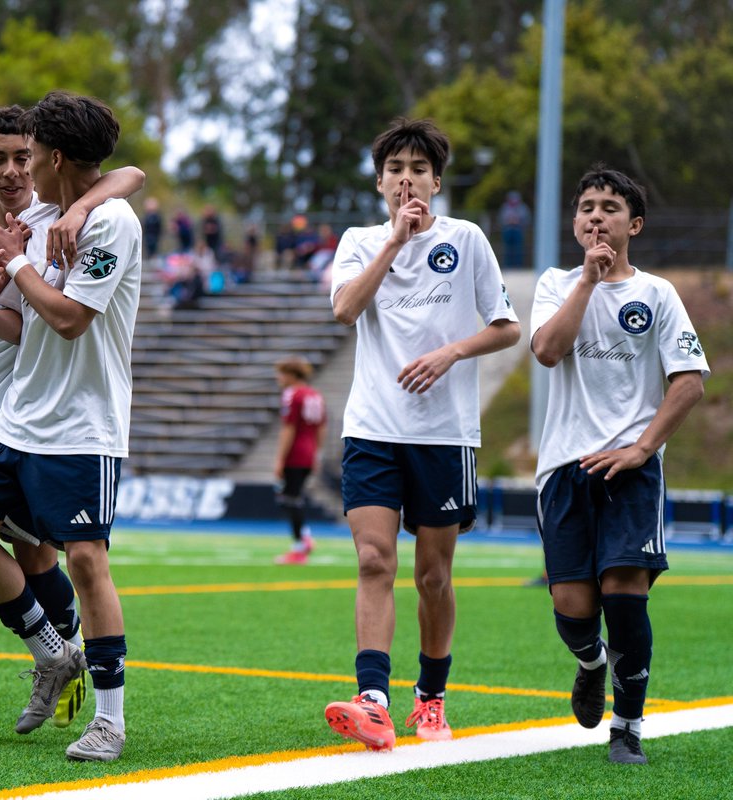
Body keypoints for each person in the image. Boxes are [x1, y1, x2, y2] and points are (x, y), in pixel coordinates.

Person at [0, 104, 144, 747]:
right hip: (15, 416)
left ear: (49, 158)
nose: (18, 169)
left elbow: (70, 318)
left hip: (82, 423)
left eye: (29, 154)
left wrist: (17, 261)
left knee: (82, 559)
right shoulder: (45, 215)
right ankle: (53, 653)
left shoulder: (108, 223)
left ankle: (110, 719)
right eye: (2, 157)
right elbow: (118, 171)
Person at [324, 118, 521, 750]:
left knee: (433, 577)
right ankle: (373, 700)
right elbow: (345, 309)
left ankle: (430, 699)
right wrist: (393, 245)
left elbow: (506, 326)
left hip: (443, 434)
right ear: (380, 180)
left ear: (436, 180)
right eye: (395, 169)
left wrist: (450, 353)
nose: (406, 179)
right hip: (373, 428)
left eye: (418, 169)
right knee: (374, 558)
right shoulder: (358, 241)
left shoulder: (467, 240)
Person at [530, 165, 708, 765]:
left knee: (625, 597)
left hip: (631, 472)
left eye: (609, 207)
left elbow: (688, 383)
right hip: (564, 469)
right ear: (575, 222)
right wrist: (587, 282)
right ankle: (590, 663)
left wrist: (641, 448)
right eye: (586, 207)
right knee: (573, 611)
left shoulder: (657, 293)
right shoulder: (556, 283)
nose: (596, 216)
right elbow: (549, 352)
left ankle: (627, 726)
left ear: (633, 224)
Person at [272, 357, 327, 565]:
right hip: (309, 452)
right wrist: (317, 453)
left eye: (281, 373)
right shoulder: (315, 395)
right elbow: (322, 427)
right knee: (292, 497)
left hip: (295, 454)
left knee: (290, 499)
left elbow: (289, 428)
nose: (278, 378)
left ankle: (299, 547)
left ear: (291, 375)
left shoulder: (292, 395)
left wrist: (279, 459)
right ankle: (304, 538)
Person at [499, 190, 531, 269]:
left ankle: (518, 266)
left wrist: (518, 221)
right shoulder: (505, 207)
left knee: (518, 249)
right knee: (507, 249)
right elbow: (501, 219)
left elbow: (527, 219)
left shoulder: (523, 207)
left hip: (518, 230)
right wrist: (509, 221)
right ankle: (508, 266)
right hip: (508, 230)